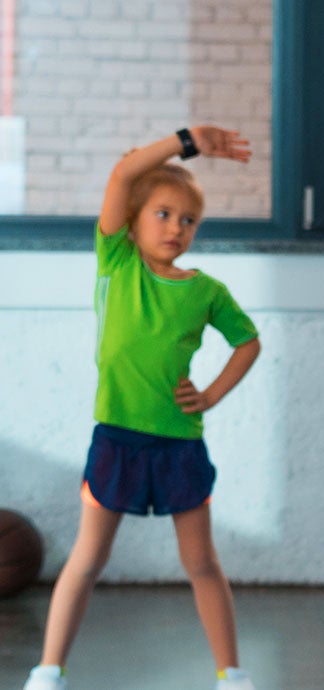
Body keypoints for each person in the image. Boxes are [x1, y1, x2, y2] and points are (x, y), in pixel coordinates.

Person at [24, 128, 261, 690]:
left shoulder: (206, 291)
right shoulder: (116, 262)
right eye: (162, 213)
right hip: (116, 439)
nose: (176, 227)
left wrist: (211, 394)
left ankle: (231, 674)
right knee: (87, 559)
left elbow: (247, 342)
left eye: (187, 219)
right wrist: (188, 140)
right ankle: (49, 669)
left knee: (201, 562)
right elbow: (125, 172)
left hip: (178, 443)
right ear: (131, 220)